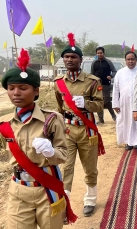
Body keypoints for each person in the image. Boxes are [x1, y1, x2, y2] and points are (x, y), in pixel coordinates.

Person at [0, 48, 76, 229]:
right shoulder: (3, 123)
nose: (16, 93)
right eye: (11, 88)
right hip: (19, 190)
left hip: (47, 188)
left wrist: (50, 152)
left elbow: (63, 154)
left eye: (23, 88)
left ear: (36, 91)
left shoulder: (52, 120)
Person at [54, 33, 104, 217]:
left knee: (89, 167)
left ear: (80, 60)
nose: (69, 60)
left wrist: (85, 104)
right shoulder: (58, 83)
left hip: (86, 130)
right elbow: (59, 108)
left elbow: (100, 105)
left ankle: (90, 199)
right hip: (67, 130)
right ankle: (64, 200)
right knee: (66, 166)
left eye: (73, 57)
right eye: (66, 57)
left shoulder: (92, 82)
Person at [112, 51, 137, 154]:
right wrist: (115, 104)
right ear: (125, 60)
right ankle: (129, 142)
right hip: (124, 102)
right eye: (128, 59)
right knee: (125, 122)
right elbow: (116, 89)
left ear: (136, 60)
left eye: (132, 59)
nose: (130, 61)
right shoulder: (120, 72)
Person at [91, 46, 117, 123]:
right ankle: (101, 119)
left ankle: (113, 116)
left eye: (101, 53)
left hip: (106, 84)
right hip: (97, 85)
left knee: (106, 101)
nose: (99, 54)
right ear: (96, 54)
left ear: (104, 53)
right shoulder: (94, 63)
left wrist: (111, 76)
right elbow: (92, 74)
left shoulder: (108, 62)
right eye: (98, 53)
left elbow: (114, 71)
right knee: (99, 101)